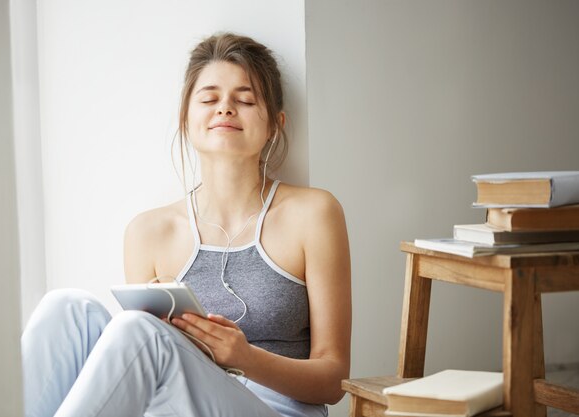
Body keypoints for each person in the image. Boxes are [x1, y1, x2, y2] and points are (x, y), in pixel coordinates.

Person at [22, 32, 351, 417]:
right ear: (186, 117)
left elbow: (332, 380)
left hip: (276, 410)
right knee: (67, 309)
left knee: (138, 332)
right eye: (209, 99)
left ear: (275, 125)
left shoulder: (313, 213)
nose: (225, 109)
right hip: (179, 406)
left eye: (244, 100)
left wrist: (244, 357)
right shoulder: (148, 233)